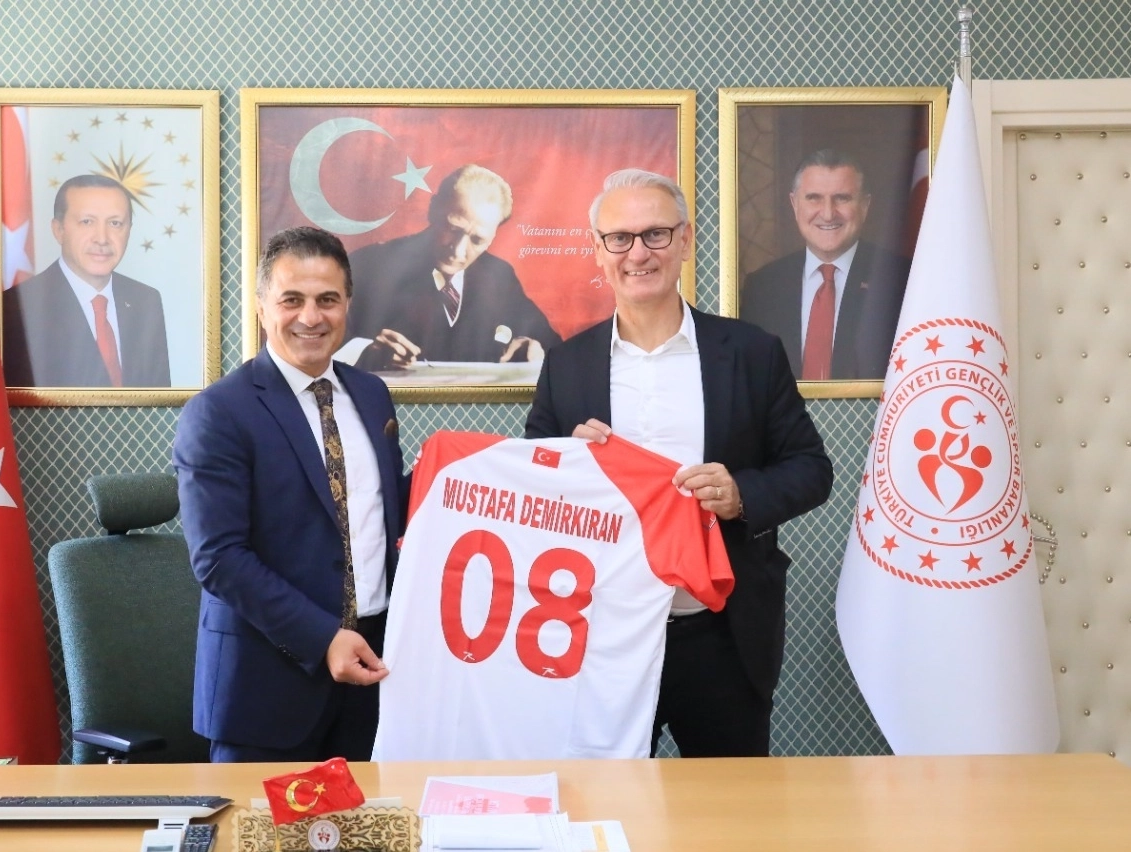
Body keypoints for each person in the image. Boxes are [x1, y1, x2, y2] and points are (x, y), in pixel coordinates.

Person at [525, 169, 833, 757]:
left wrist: (741, 494)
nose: (638, 253)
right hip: (600, 636)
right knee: (605, 802)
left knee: (731, 805)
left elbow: (812, 469)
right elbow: (534, 490)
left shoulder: (752, 352)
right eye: (619, 238)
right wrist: (570, 463)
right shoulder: (566, 365)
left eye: (656, 234)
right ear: (598, 250)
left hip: (722, 635)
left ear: (685, 240)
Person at [172, 226, 408, 762]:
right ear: (262, 307)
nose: (311, 317)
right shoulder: (219, 412)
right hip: (266, 693)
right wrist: (324, 638)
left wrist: (471, 469)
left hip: (374, 677)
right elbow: (219, 558)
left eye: (327, 299)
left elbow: (383, 510)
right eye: (292, 300)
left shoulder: (371, 394)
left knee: (374, 818)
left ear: (348, 305)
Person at [343, 164, 561, 370]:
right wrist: (367, 352)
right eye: (453, 229)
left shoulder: (499, 276)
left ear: (493, 236)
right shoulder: (368, 265)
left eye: (477, 240)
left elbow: (552, 346)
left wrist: (534, 347)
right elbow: (328, 342)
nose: (458, 251)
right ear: (433, 210)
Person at [740, 149, 910, 381]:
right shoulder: (763, 286)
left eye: (842, 198)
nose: (828, 214)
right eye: (814, 198)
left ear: (864, 205)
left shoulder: (902, 281)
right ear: (794, 204)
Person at [2, 174, 171, 388]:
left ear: (129, 230)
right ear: (58, 230)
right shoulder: (17, 307)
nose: (102, 238)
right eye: (87, 222)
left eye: (115, 223)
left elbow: (158, 399)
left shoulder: (145, 301)